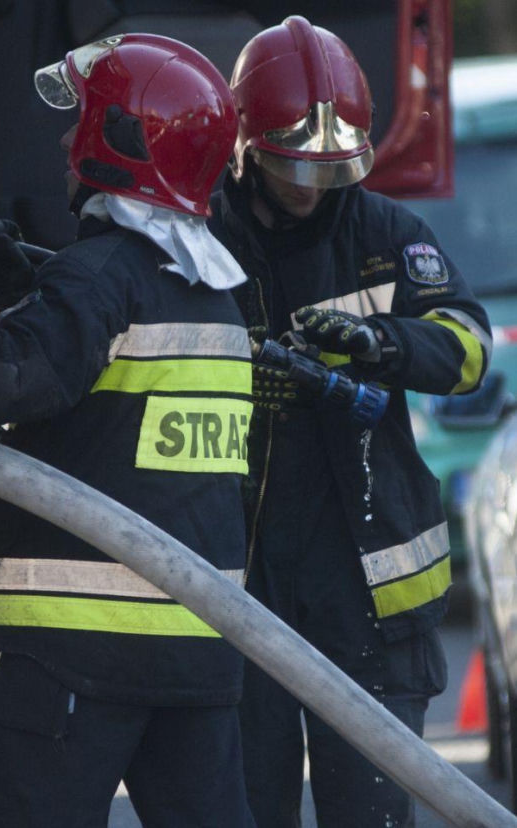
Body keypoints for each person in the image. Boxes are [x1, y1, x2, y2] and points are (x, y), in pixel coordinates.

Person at [0, 33, 255, 828]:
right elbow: (110, 405)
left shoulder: (98, 278)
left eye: (84, 120)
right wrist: (31, 292)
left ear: (121, 142)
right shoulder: (211, 296)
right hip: (199, 654)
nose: (66, 138)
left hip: (76, 652)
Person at [206, 16, 493, 827]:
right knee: (246, 810)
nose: (311, 186)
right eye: (295, 165)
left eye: (329, 168)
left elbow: (466, 343)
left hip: (370, 596)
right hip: (243, 583)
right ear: (247, 143)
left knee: (369, 809)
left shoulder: (387, 235)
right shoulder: (201, 244)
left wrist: (383, 343)